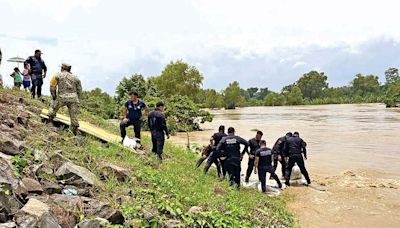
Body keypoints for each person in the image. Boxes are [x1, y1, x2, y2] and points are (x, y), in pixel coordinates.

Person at [48, 63, 82, 135]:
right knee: (74, 115)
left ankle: (50, 121)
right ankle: (75, 130)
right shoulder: (76, 77)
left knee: (53, 107)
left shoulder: (57, 75)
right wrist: (78, 99)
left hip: (61, 97)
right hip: (73, 98)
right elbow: (79, 90)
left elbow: (52, 86)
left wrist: (54, 96)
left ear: (62, 68)